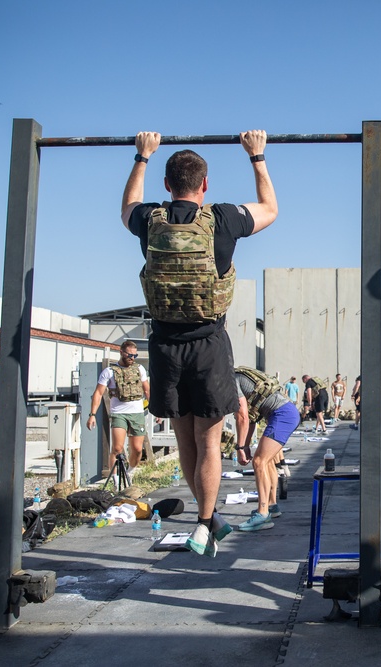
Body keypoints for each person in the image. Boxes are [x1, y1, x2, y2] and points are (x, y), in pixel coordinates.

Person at [121, 129, 278, 556]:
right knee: (209, 442)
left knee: (186, 441)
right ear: (204, 185)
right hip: (208, 342)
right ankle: (207, 522)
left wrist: (142, 157)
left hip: (164, 344)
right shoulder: (223, 218)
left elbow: (127, 208)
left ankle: (208, 518)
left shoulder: (152, 220)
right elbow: (270, 209)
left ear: (168, 186)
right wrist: (257, 157)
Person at [232, 367, 300, 534]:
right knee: (265, 460)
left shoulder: (230, 381)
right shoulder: (239, 377)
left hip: (282, 415)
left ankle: (263, 515)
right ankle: (271, 505)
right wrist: (245, 446)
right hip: (284, 413)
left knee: (259, 462)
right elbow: (252, 419)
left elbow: (242, 417)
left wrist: (241, 447)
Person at [86, 341, 150, 480]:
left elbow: (147, 390)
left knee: (138, 449)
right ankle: (115, 479)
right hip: (119, 413)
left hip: (137, 413)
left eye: (135, 355)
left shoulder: (140, 369)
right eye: (129, 354)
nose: (132, 358)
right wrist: (92, 415)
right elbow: (98, 393)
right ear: (121, 352)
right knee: (117, 448)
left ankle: (130, 472)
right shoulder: (109, 372)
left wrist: (156, 410)